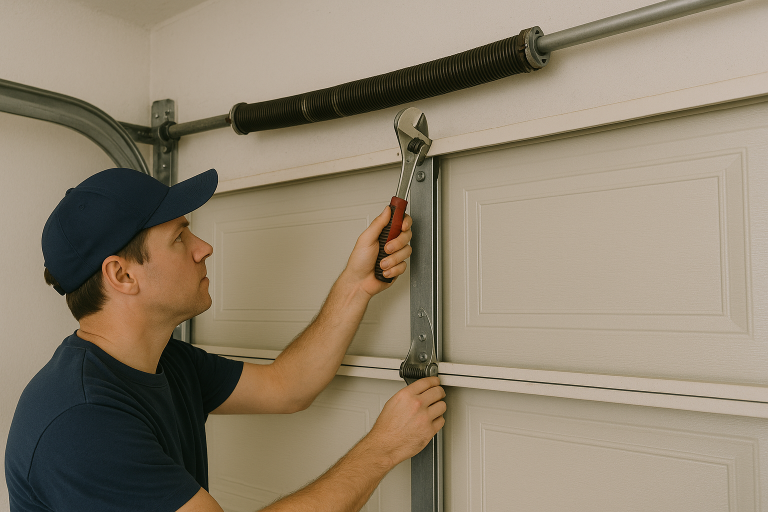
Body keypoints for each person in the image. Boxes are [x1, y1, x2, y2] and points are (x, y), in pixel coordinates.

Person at [4, 167, 446, 512]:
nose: (204, 248)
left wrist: (355, 284)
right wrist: (382, 448)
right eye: (179, 237)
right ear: (121, 275)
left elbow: (287, 386)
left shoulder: (164, 361)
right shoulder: (82, 421)